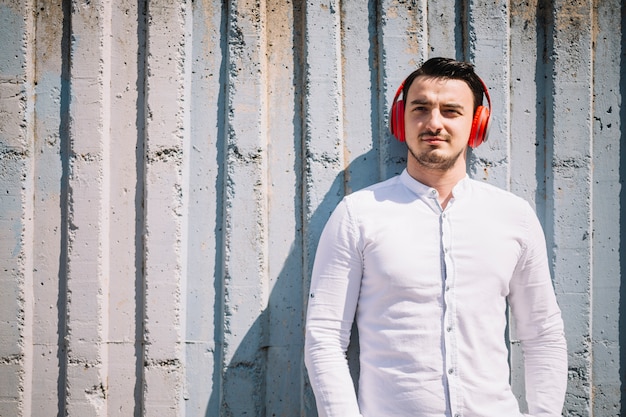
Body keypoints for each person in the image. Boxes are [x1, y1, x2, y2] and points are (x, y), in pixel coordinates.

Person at [303, 57, 567, 417]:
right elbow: (324, 337)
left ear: (477, 125)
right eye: (421, 108)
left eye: (451, 111)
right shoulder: (358, 214)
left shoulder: (514, 217)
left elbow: (543, 335)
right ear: (402, 120)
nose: (434, 123)